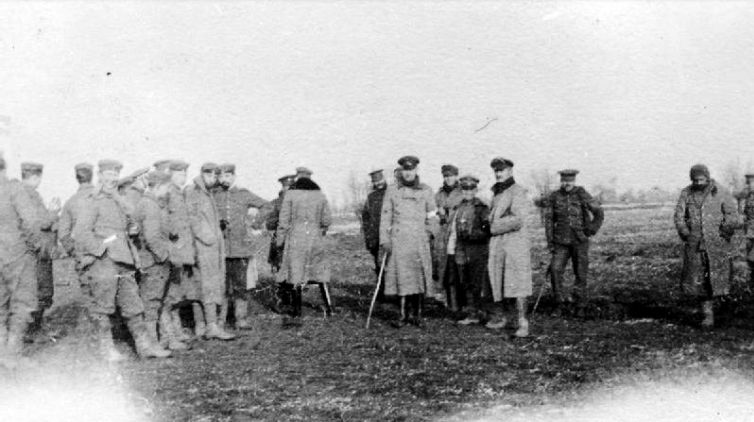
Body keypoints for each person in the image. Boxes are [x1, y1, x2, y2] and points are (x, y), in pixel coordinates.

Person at [74, 159, 170, 361]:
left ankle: (145, 347)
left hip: (125, 259)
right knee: (103, 307)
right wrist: (99, 249)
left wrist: (131, 230)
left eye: (115, 175)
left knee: (133, 305)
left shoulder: (119, 200)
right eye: (108, 175)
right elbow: (81, 233)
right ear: (100, 176)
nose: (112, 179)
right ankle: (106, 350)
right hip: (104, 262)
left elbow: (128, 225)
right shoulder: (92, 201)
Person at [674, 164, 741, 328]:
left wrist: (725, 231)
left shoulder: (721, 191)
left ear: (708, 177)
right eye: (695, 180)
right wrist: (685, 233)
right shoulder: (686, 193)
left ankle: (726, 312)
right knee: (700, 284)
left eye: (702, 179)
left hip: (717, 244)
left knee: (721, 280)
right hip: (695, 245)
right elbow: (679, 216)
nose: (699, 182)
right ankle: (707, 316)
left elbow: (732, 214)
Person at [380, 155, 437, 327]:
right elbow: (385, 216)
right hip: (399, 241)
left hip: (419, 240)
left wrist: (429, 233)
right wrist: (385, 240)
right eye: (405, 170)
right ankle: (403, 315)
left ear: (416, 170)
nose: (408, 173)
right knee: (402, 277)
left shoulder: (426, 190)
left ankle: (417, 314)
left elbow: (433, 216)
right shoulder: (392, 190)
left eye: (411, 170)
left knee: (418, 277)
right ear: (401, 171)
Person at [134, 171, 188, 351]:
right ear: (157, 187)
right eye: (165, 187)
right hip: (154, 262)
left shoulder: (152, 204)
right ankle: (152, 344)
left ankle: (166, 339)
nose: (167, 191)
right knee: (151, 303)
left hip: (156, 261)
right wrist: (166, 257)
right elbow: (152, 238)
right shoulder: (149, 205)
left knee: (162, 301)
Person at [543, 169, 604, 317]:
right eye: (563, 181)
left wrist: (591, 229)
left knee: (580, 273)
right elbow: (549, 221)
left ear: (574, 181)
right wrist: (550, 242)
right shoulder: (554, 196)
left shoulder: (582, 193)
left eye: (569, 181)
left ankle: (580, 305)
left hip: (579, 241)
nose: (566, 184)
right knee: (555, 271)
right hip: (560, 242)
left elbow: (599, 212)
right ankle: (559, 304)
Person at [213, 163, 267, 329]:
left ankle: (240, 319)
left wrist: (256, 224)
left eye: (228, 176)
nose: (224, 179)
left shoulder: (243, 194)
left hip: (240, 248)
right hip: (220, 249)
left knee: (240, 286)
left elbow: (266, 206)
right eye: (221, 176)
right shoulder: (214, 194)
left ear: (234, 176)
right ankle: (220, 320)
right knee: (221, 286)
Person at [275, 167, 332, 326]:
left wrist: (280, 242)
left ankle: (297, 311)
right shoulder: (320, 194)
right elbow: (327, 220)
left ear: (297, 177)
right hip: (315, 238)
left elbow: (284, 222)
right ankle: (329, 308)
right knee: (319, 274)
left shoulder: (291, 194)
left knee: (296, 273)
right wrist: (320, 230)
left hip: (296, 238)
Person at [185, 163, 235, 340]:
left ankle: (202, 325)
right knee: (207, 286)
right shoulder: (195, 192)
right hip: (204, 247)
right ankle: (211, 326)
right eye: (212, 176)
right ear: (204, 174)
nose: (214, 180)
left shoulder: (206, 193)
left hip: (210, 248)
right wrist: (208, 237)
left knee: (203, 286)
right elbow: (192, 219)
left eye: (216, 176)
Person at [0, 157, 42, 364]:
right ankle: (12, 354)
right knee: (23, 303)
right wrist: (32, 246)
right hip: (16, 254)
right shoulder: (14, 189)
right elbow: (32, 222)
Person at [485, 158, 532, 337]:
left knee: (518, 284)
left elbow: (518, 219)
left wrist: (493, 225)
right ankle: (503, 318)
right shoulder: (496, 193)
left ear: (510, 171)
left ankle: (522, 322)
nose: (498, 174)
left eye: (502, 170)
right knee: (499, 280)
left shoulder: (518, 191)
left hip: (515, 245)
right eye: (496, 170)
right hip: (498, 245)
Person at [20, 162, 60, 335]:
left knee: (39, 290)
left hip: (35, 252)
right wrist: (53, 212)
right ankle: (31, 329)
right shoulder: (28, 196)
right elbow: (41, 223)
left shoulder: (26, 194)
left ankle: (33, 327)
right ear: (35, 177)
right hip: (35, 253)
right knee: (41, 290)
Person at [449, 175, 491, 326]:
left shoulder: (481, 208)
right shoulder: (458, 207)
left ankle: (482, 312)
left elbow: (487, 230)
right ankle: (471, 312)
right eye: (464, 189)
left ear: (475, 190)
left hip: (476, 250)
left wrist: (473, 235)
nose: (467, 192)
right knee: (464, 281)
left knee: (477, 282)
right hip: (461, 248)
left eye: (470, 189)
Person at [165, 160, 200, 339]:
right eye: (179, 174)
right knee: (172, 292)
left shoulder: (182, 193)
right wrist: (173, 236)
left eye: (184, 175)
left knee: (181, 291)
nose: (182, 178)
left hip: (185, 250)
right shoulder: (168, 192)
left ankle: (178, 329)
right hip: (175, 249)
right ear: (170, 174)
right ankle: (174, 331)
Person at [435, 164, 464, 310]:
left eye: (451, 176)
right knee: (444, 269)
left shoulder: (462, 192)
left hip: (457, 235)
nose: (448, 179)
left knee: (457, 269)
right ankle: (450, 302)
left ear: (456, 176)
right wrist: (439, 213)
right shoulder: (439, 194)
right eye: (445, 176)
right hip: (442, 236)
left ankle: (460, 304)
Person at [266, 174, 295, 310]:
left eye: (290, 187)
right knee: (282, 271)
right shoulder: (276, 203)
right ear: (282, 187)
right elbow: (269, 223)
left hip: (292, 242)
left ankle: (289, 301)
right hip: (281, 242)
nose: (288, 189)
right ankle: (284, 301)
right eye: (286, 186)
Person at [361, 169, 388, 302]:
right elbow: (366, 219)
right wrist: (369, 238)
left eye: (380, 180)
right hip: (376, 236)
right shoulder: (371, 198)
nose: (378, 183)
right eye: (375, 181)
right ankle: (382, 291)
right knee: (379, 265)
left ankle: (394, 293)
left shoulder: (392, 193)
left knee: (392, 265)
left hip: (389, 236)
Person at [735, 172, 754, 286]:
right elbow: (741, 210)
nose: (751, 184)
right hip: (749, 230)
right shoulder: (745, 196)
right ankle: (752, 276)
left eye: (752, 181)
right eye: (749, 182)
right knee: (749, 254)